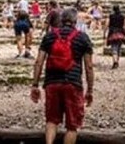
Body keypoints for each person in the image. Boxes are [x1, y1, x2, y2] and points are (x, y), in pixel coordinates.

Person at [30, 8, 94, 144]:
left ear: (61, 20)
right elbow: (89, 66)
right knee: (72, 125)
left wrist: (35, 85)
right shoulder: (83, 38)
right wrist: (90, 90)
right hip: (73, 84)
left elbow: (39, 62)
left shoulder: (49, 36)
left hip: (52, 83)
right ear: (75, 21)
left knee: (51, 120)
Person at [104, 5, 125, 69]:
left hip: (113, 33)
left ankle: (115, 61)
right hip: (120, 33)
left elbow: (106, 25)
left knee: (114, 48)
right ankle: (117, 61)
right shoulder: (123, 17)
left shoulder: (110, 16)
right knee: (119, 48)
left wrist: (104, 33)